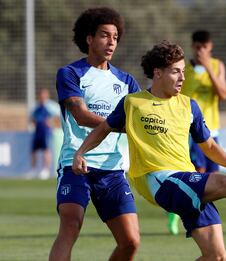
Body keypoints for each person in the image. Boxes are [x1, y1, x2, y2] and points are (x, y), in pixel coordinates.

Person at [73, 41, 226, 260]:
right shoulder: (133, 103)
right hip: (159, 180)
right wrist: (80, 152)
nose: (182, 78)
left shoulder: (189, 106)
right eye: (175, 71)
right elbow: (103, 128)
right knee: (223, 183)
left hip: (185, 179)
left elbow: (209, 146)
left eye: (184, 72)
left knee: (216, 256)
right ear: (157, 73)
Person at [49, 7, 141, 261]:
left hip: (112, 169)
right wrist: (119, 124)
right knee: (70, 225)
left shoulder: (127, 82)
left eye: (115, 37)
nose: (111, 41)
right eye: (104, 35)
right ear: (89, 38)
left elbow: (139, 122)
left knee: (131, 242)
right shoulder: (70, 73)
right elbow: (81, 115)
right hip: (75, 164)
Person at [172, 30, 226, 235]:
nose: (201, 50)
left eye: (204, 46)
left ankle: (195, 216)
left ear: (210, 47)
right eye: (197, 47)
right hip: (191, 131)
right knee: (199, 174)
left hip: (212, 130)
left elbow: (223, 93)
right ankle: (190, 217)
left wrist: (208, 69)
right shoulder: (184, 69)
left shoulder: (217, 65)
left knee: (215, 178)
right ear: (193, 46)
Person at [30, 87, 60, 180]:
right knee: (34, 150)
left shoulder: (51, 106)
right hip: (37, 131)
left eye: (44, 94)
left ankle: (45, 170)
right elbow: (32, 118)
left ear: (47, 95)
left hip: (47, 131)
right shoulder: (36, 106)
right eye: (41, 94)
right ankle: (34, 170)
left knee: (46, 150)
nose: (42, 96)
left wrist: (51, 123)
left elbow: (58, 118)